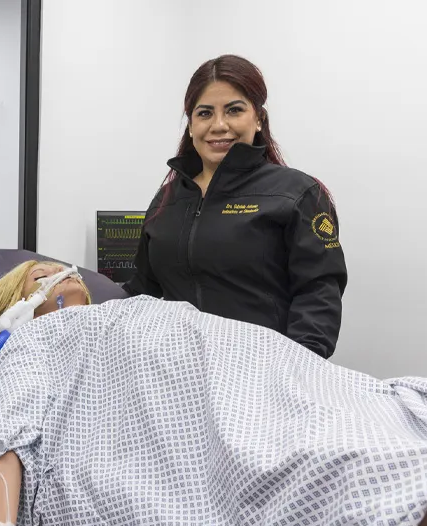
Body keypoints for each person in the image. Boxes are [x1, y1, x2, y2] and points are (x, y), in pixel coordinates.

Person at [0, 260, 427, 526]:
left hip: (260, 370)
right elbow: (8, 428)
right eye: (41, 272)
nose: (62, 270)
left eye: (60, 264)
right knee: (353, 463)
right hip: (190, 413)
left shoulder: (134, 306)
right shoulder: (35, 337)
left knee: (399, 413)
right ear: (20, 302)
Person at [125, 54, 348, 359]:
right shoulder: (167, 199)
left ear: (258, 119)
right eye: (205, 113)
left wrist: (295, 371)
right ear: (191, 126)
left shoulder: (297, 193)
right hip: (176, 374)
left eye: (234, 110)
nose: (219, 125)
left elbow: (318, 295)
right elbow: (140, 293)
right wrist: (67, 287)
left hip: (263, 375)